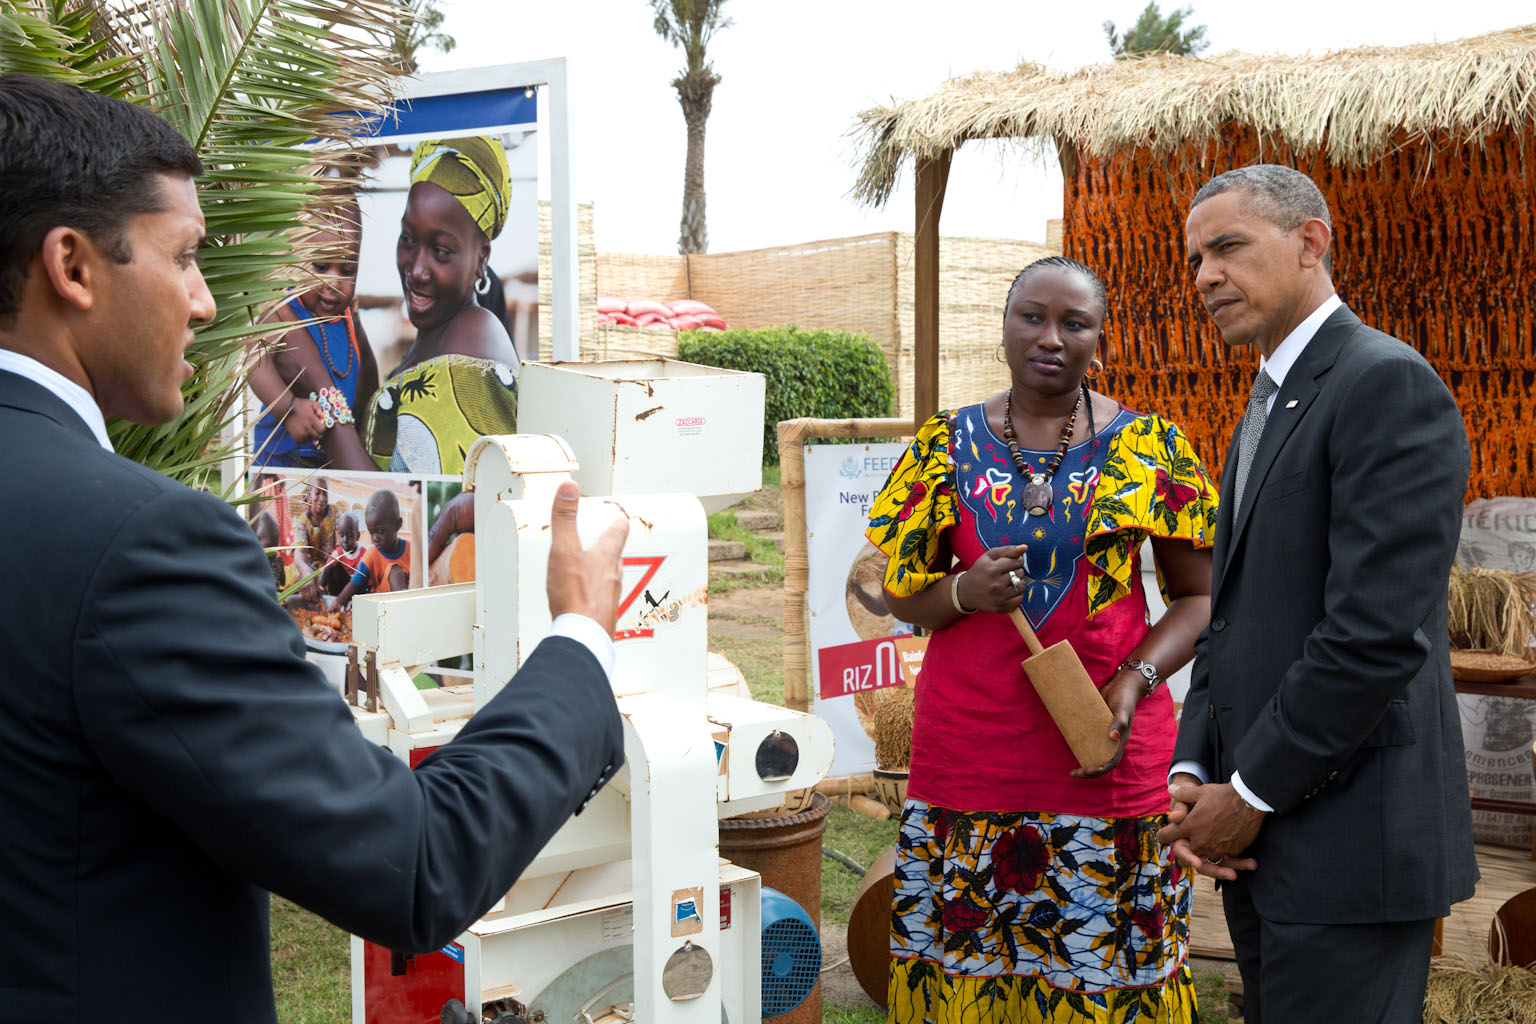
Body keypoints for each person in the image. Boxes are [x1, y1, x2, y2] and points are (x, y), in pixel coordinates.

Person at [0, 73, 628, 1018]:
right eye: (185, 260)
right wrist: (578, 636)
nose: (207, 303)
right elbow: (416, 863)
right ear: (74, 267)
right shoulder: (138, 549)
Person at [1159, 165, 1476, 1023]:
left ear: (1310, 242)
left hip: (1349, 852)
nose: (1204, 277)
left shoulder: (1385, 384)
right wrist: (1196, 768)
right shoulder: (1269, 401)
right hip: (1258, 844)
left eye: (1228, 247)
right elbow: (1231, 617)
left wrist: (1249, 791)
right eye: (1194, 259)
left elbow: (1372, 634)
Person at [867, 256, 1218, 1023]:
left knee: (1109, 972)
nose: (1051, 337)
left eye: (1075, 322)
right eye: (1032, 316)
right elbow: (902, 592)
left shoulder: (1149, 448)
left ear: (1100, 338)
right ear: (1002, 326)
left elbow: (1200, 598)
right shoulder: (943, 446)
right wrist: (963, 591)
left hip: (1104, 753)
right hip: (970, 750)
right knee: (966, 965)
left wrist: (1134, 681)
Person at [365, 136, 521, 474]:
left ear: (481, 258)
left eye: (441, 251)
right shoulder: (438, 335)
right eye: (408, 239)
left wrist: (331, 427)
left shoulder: (471, 343)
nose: (417, 270)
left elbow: (433, 510)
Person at [248, 193, 379, 470]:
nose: (332, 283)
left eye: (346, 270)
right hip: (281, 460)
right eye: (320, 267)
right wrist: (289, 408)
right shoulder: (285, 309)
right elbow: (254, 356)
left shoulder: (349, 319)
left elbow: (366, 371)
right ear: (296, 257)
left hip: (330, 462)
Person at [335, 487, 413, 607]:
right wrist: (337, 602)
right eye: (371, 532)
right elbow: (355, 582)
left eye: (380, 531)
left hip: (410, 599)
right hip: (381, 605)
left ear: (398, 525)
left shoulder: (411, 550)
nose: (375, 538)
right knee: (395, 570)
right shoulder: (372, 554)